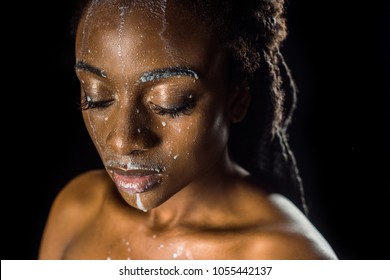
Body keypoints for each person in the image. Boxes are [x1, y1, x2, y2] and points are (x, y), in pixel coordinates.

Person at [39, 0, 338, 260]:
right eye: (97, 97)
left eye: (171, 102)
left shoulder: (291, 259)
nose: (121, 141)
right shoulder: (75, 210)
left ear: (237, 97)